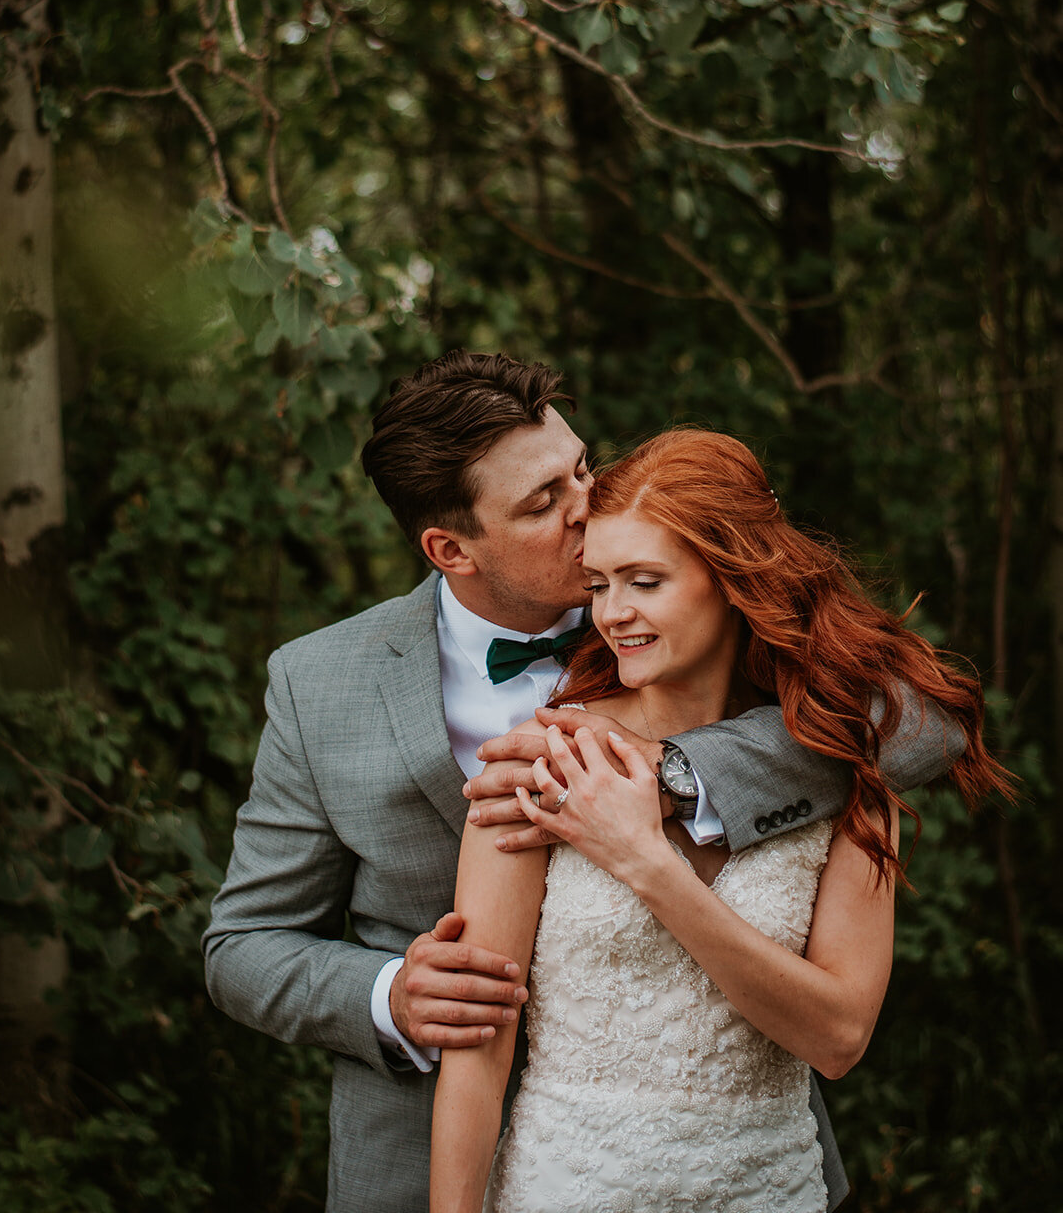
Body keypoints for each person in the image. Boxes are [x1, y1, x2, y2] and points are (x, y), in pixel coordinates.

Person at [203, 352, 966, 1213]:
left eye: (580, 470)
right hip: (428, 1155)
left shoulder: (679, 610)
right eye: (544, 503)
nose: (589, 506)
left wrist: (674, 775)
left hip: (736, 1154)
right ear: (451, 548)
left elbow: (923, 723)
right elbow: (242, 947)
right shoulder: (318, 683)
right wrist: (393, 996)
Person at [429, 429, 1010, 1213]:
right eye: (599, 584)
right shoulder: (547, 763)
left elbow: (837, 1040)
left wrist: (648, 863)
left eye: (644, 581)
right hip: (564, 1185)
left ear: (732, 578)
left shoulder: (841, 764)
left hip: (768, 1189)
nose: (613, 614)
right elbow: (478, 1055)